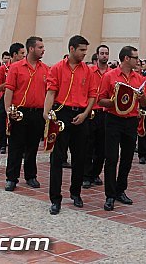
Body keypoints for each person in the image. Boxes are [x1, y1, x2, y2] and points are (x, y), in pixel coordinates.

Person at [44, 35, 98, 215]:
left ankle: (76, 193)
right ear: (72, 49)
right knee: (57, 157)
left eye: (85, 50)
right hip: (62, 112)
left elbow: (92, 95)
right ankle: (55, 199)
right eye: (81, 50)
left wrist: (84, 114)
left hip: (81, 115)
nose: (84, 53)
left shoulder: (88, 71)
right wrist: (47, 112)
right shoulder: (57, 68)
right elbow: (51, 91)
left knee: (80, 157)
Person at [98, 45, 146, 211]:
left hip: (131, 120)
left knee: (127, 158)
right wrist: (115, 102)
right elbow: (100, 100)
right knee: (111, 158)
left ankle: (121, 190)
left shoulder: (139, 78)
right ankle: (110, 195)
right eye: (135, 58)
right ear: (127, 58)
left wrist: (142, 98)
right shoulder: (109, 76)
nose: (138, 61)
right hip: (113, 119)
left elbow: (145, 103)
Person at [3, 37, 48, 192]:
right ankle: (11, 178)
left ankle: (31, 176)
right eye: (40, 47)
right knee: (16, 146)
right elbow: (9, 90)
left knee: (33, 146)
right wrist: (8, 111)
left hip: (37, 113)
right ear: (31, 49)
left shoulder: (46, 69)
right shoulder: (16, 68)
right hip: (20, 112)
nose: (43, 50)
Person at [0, 48, 20, 174]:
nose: (23, 56)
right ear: (14, 55)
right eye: (21, 53)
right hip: (3, 101)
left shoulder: (22, 68)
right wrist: (8, 84)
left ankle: (12, 165)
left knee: (15, 134)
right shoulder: (2, 69)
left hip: (17, 102)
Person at [83, 45, 110, 188]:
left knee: (102, 148)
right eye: (102, 53)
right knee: (88, 146)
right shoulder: (89, 71)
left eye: (106, 53)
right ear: (97, 55)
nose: (104, 56)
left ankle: (95, 173)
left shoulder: (112, 74)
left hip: (106, 113)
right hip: (91, 112)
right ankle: (86, 175)